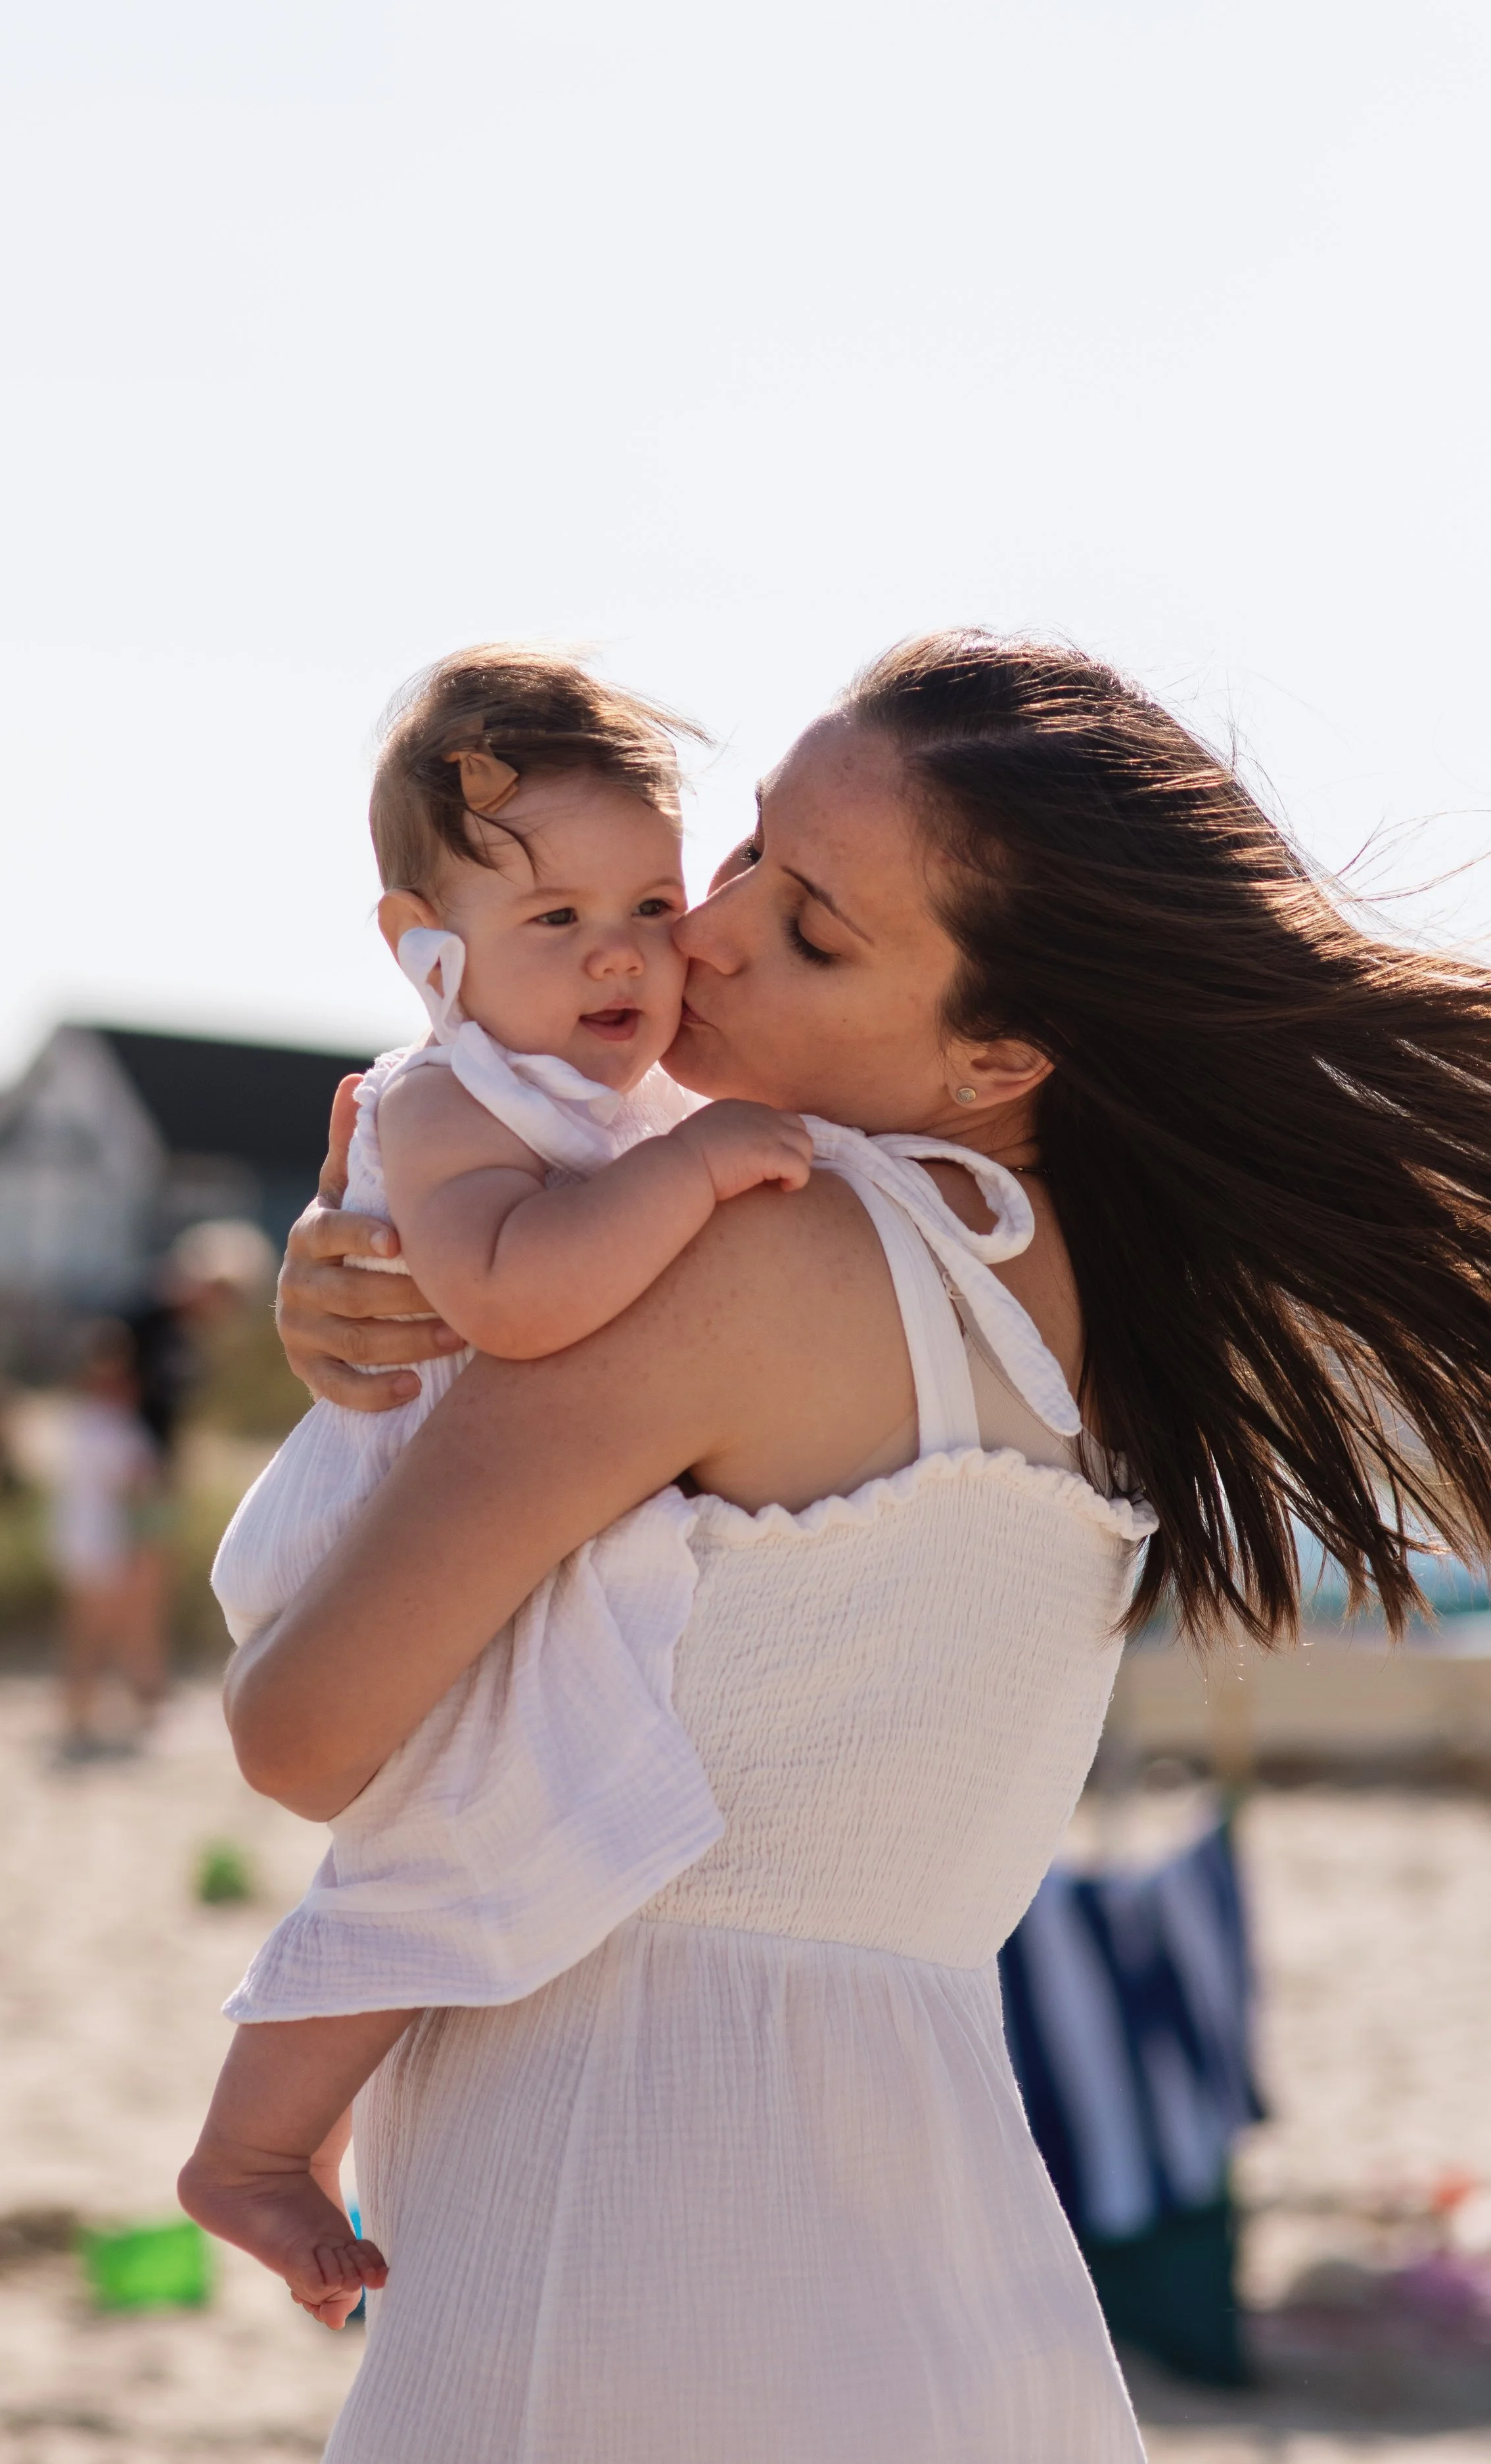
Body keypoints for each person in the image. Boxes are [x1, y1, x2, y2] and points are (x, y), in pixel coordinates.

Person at [228, 633, 1491, 2461]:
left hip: (618, 2231)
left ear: (996, 1052)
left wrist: (372, 1396)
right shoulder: (1110, 1327)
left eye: (812, 929)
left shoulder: (740, 1256)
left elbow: (304, 1727)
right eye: (743, 854)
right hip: (940, 2260)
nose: (706, 934)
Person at [182, 647, 810, 2324]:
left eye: (651, 900)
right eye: (555, 921)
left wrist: (684, 1143)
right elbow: (519, 1298)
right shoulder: (450, 1095)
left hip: (504, 1527)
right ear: (424, 951)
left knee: (470, 1829)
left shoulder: (635, 1088)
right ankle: (252, 2146)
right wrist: (684, 1170)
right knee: (438, 1832)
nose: (621, 950)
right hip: (388, 1527)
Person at [49, 1318, 166, 1757]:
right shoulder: (119, 1429)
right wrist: (145, 1549)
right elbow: (136, 1495)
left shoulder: (80, 1421)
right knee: (131, 1633)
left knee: (85, 1635)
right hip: (112, 1545)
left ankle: (79, 1716)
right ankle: (143, 1713)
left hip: (78, 1542)